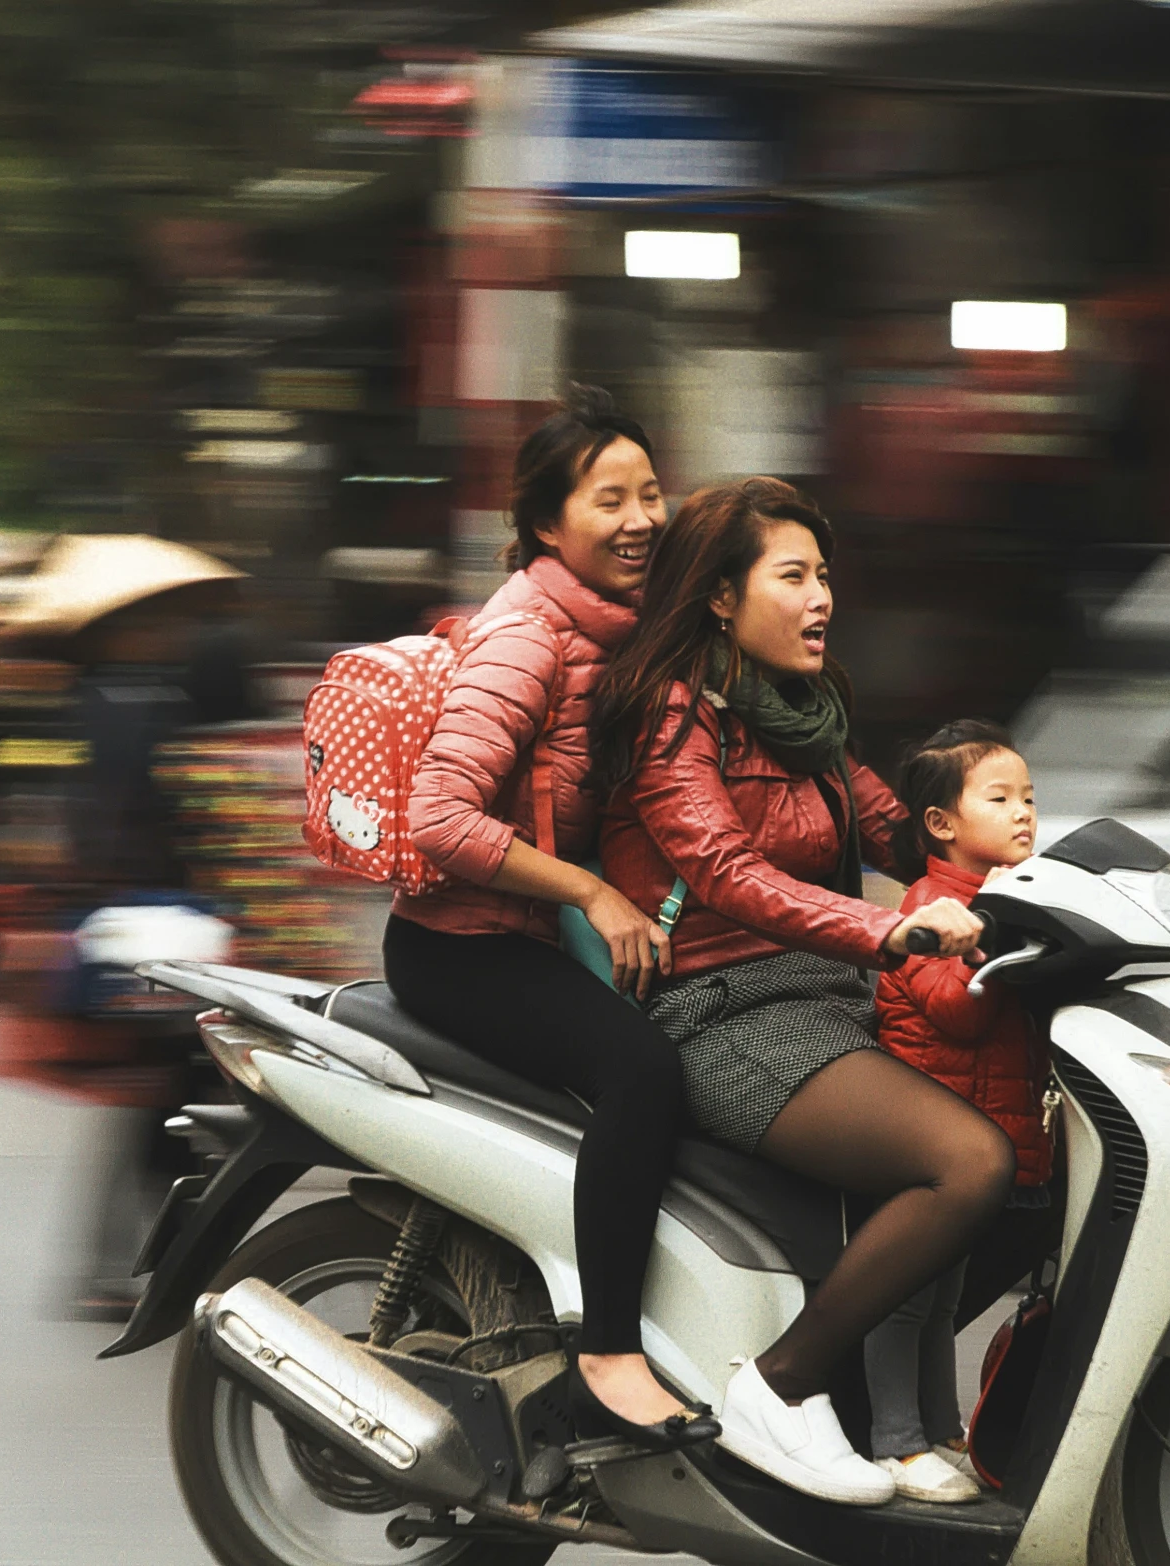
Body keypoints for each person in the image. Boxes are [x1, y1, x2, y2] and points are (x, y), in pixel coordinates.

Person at [594, 477, 1014, 1506]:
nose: (822, 596)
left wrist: (1024, 862)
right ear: (723, 598)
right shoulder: (671, 717)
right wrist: (888, 926)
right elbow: (729, 871)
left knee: (1012, 1125)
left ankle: (912, 1427)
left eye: (825, 575)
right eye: (794, 576)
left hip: (819, 993)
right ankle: (782, 1387)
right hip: (721, 1010)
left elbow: (892, 827)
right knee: (966, 1161)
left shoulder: (803, 714)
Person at [383, 386, 715, 1450]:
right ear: (542, 527)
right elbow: (435, 816)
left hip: (531, 937)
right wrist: (590, 891)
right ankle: (608, 1358)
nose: (639, 519)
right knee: (643, 1073)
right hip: (460, 949)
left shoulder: (622, 630)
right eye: (607, 499)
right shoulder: (527, 636)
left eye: (651, 492)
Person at [862, 720, 1054, 1503]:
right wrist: (992, 951)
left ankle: (940, 1432)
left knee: (941, 1301)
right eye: (1000, 798)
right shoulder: (933, 906)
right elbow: (960, 1015)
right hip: (929, 1142)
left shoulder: (1002, 900)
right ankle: (894, 1444)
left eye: (1029, 798)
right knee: (905, 1298)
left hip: (977, 1132)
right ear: (940, 824)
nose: (1023, 814)